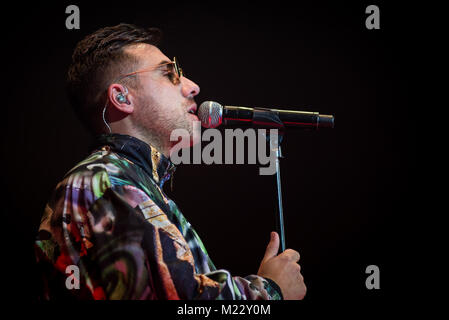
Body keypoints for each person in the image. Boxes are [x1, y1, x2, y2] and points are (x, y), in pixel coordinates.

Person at [34, 23, 307, 300]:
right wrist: (271, 291)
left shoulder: (133, 184)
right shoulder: (102, 183)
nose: (192, 87)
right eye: (169, 73)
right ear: (120, 96)